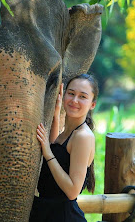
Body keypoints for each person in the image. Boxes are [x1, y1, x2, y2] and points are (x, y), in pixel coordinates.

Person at [30, 73, 98, 222]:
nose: (74, 100)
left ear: (92, 104)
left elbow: (72, 191)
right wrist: (56, 114)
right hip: (48, 213)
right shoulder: (67, 133)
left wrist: (47, 153)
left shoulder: (83, 137)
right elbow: (57, 149)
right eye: (71, 93)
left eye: (82, 97)